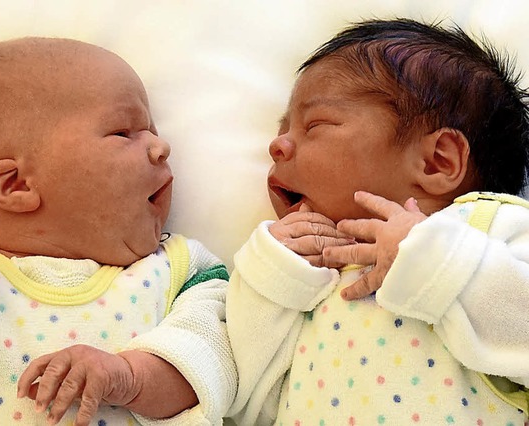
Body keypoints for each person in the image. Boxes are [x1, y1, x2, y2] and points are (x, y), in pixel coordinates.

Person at [0, 37, 237, 426]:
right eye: (124, 132)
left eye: (151, 129)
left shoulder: (180, 271)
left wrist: (129, 378)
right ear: (17, 185)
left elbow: (216, 368)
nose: (161, 146)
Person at [225, 18, 529, 425]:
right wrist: (270, 278)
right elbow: (242, 402)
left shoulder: (487, 227)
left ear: (436, 161)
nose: (277, 145)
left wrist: (433, 259)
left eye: (315, 125)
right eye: (284, 130)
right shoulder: (310, 277)